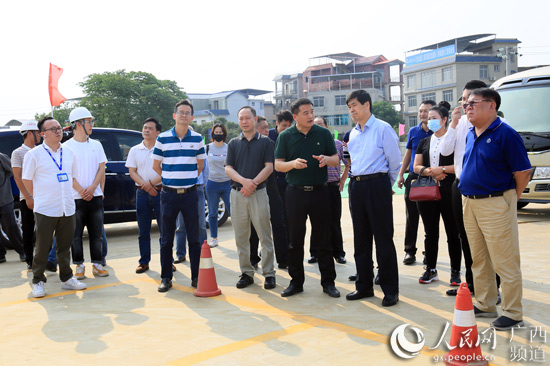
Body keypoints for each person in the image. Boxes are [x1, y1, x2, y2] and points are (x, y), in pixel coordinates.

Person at [459, 88, 531, 330]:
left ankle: (513, 312)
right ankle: (485, 303)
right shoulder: (471, 133)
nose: (467, 106)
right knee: (479, 258)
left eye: (473, 103)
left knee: (505, 259)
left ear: (492, 106)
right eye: (466, 103)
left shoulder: (505, 134)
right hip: (469, 202)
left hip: (496, 202)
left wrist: (510, 198)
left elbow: (523, 171)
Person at [274, 98, 340, 298]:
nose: (310, 116)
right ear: (295, 117)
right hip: (295, 194)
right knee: (295, 240)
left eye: (312, 111)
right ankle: (296, 282)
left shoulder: (324, 133)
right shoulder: (285, 136)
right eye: (305, 113)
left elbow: (336, 159)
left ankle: (328, 283)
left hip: (321, 192)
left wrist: (327, 160)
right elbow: (278, 164)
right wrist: (292, 164)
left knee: (323, 240)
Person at [344, 90, 401, 307]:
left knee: (383, 239)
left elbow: (394, 162)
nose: (352, 110)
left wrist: (385, 187)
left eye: (355, 105)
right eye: (349, 106)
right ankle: (364, 286)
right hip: (357, 186)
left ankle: (390, 289)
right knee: (361, 239)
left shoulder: (383, 128)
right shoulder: (353, 134)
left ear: (367, 104)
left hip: (377, 185)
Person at [22, 116, 86, 297]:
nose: (58, 131)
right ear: (43, 134)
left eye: (59, 128)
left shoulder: (69, 152)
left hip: (67, 206)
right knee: (42, 247)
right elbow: (26, 179)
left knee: (65, 247)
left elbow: (72, 177)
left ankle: (66, 279)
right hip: (46, 208)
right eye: (53, 129)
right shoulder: (33, 154)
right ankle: (38, 281)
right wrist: (38, 197)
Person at [152, 100, 205, 292]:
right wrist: (172, 178)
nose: (184, 115)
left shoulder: (198, 139)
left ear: (192, 117)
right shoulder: (163, 138)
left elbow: (200, 166)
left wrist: (186, 178)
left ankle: (196, 277)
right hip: (169, 195)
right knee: (166, 238)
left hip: (190, 195)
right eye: (180, 112)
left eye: (187, 112)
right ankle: (166, 277)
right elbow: (155, 166)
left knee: (194, 238)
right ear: (174, 116)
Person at [225, 107, 276, 290]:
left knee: (265, 234)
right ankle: (246, 272)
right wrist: (244, 182)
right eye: (241, 118)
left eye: (247, 118)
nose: (244, 121)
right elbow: (228, 168)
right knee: (241, 237)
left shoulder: (266, 142)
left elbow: (269, 167)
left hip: (259, 193)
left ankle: (269, 273)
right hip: (237, 194)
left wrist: (252, 183)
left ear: (255, 119)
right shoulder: (233, 143)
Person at [413, 102, 462, 286]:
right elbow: (416, 166)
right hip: (427, 191)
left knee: (453, 232)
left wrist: (442, 169)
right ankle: (431, 269)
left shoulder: (454, 139)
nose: (430, 120)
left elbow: (459, 165)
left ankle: (455, 271)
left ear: (444, 120)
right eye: (429, 118)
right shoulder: (424, 141)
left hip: (449, 190)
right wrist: (430, 171)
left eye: (434, 118)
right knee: (430, 232)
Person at [64, 107, 108, 279]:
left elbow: (101, 168)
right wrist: (81, 190)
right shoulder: (66, 147)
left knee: (96, 233)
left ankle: (97, 264)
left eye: (91, 121)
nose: (91, 125)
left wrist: (92, 188)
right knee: (75, 235)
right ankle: (79, 265)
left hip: (95, 196)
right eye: (89, 121)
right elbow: (67, 173)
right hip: (75, 197)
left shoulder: (96, 145)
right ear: (79, 123)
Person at [396, 100, 435, 265]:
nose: (422, 114)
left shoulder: (439, 132)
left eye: (426, 111)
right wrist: (401, 174)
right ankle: (409, 251)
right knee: (411, 216)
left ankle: (429, 253)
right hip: (414, 178)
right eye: (420, 111)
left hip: (432, 178)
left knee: (430, 218)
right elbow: (408, 154)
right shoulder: (413, 131)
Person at [308, 116, 349, 265]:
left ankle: (339, 253)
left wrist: (343, 180)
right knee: (316, 221)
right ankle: (314, 253)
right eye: (315, 124)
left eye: (320, 124)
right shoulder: (311, 144)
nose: (317, 127)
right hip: (316, 188)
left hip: (332, 186)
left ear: (326, 126)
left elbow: (348, 163)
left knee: (334, 221)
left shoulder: (337, 144)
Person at [249, 117, 289, 269]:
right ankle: (253, 258)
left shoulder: (272, 144)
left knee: (279, 224)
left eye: (268, 128)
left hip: (272, 190)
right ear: (256, 128)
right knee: (253, 227)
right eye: (264, 128)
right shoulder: (246, 145)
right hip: (254, 191)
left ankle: (283, 259)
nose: (268, 131)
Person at [126, 117, 163, 274]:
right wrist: (146, 186)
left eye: (150, 128)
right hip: (142, 193)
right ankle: (144, 261)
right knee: (143, 230)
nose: (146, 130)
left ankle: (167, 260)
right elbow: (132, 172)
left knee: (165, 229)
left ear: (157, 132)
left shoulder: (162, 150)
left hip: (161, 192)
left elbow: (166, 170)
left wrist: (151, 184)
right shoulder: (135, 150)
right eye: (145, 127)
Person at [11, 121, 41, 269]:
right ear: (30, 133)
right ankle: (30, 261)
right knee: (28, 231)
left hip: (43, 197)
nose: (41, 134)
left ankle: (45, 260)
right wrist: (28, 197)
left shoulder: (41, 150)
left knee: (44, 231)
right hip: (27, 199)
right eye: (38, 132)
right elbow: (18, 177)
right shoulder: (17, 153)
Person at [175, 140, 209, 259]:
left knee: (201, 224)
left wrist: (200, 185)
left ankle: (203, 254)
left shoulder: (200, 152)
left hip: (197, 189)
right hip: (180, 191)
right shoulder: (178, 154)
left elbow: (205, 171)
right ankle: (180, 254)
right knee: (181, 225)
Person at [204, 123, 231, 249]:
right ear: (212, 133)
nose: (218, 134)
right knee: (213, 213)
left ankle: (240, 237)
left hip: (227, 183)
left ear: (224, 134)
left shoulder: (229, 147)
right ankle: (214, 238)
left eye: (221, 132)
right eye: (216, 132)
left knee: (234, 211)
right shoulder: (207, 148)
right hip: (212, 183)